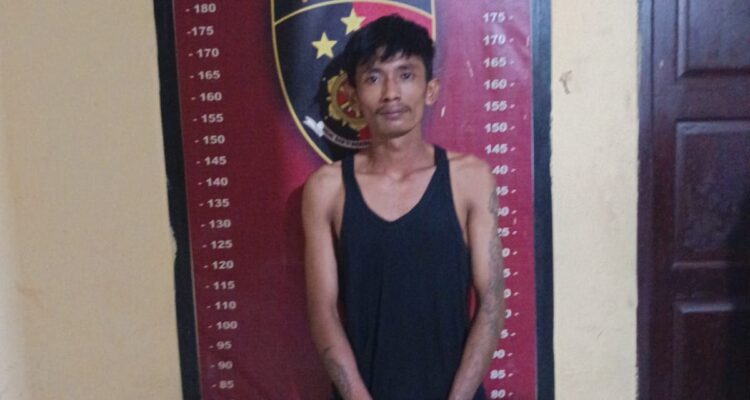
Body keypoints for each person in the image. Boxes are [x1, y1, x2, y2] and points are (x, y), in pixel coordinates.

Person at [302, 15, 505, 400]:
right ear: (353, 95)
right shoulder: (327, 190)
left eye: (406, 75)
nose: (391, 93)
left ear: (430, 89)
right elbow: (322, 312)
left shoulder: (471, 180)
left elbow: (492, 303)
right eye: (374, 78)